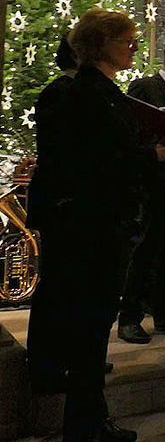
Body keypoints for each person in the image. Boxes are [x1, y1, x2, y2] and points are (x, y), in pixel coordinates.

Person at [40, 8, 165, 442]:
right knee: (88, 330)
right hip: (91, 226)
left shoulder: (95, 92)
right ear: (101, 43)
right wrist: (154, 156)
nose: (134, 47)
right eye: (127, 40)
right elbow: (95, 164)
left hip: (97, 223)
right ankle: (85, 428)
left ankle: (90, 420)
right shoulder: (82, 93)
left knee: (92, 330)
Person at [117, 36, 165, 343]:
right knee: (146, 252)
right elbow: (133, 130)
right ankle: (129, 316)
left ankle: (163, 311)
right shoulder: (145, 86)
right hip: (152, 181)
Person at [26, 35, 78, 393]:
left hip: (71, 201)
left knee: (72, 286)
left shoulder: (78, 90)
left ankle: (70, 354)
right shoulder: (61, 91)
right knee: (57, 286)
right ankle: (46, 363)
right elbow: (61, 149)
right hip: (62, 202)